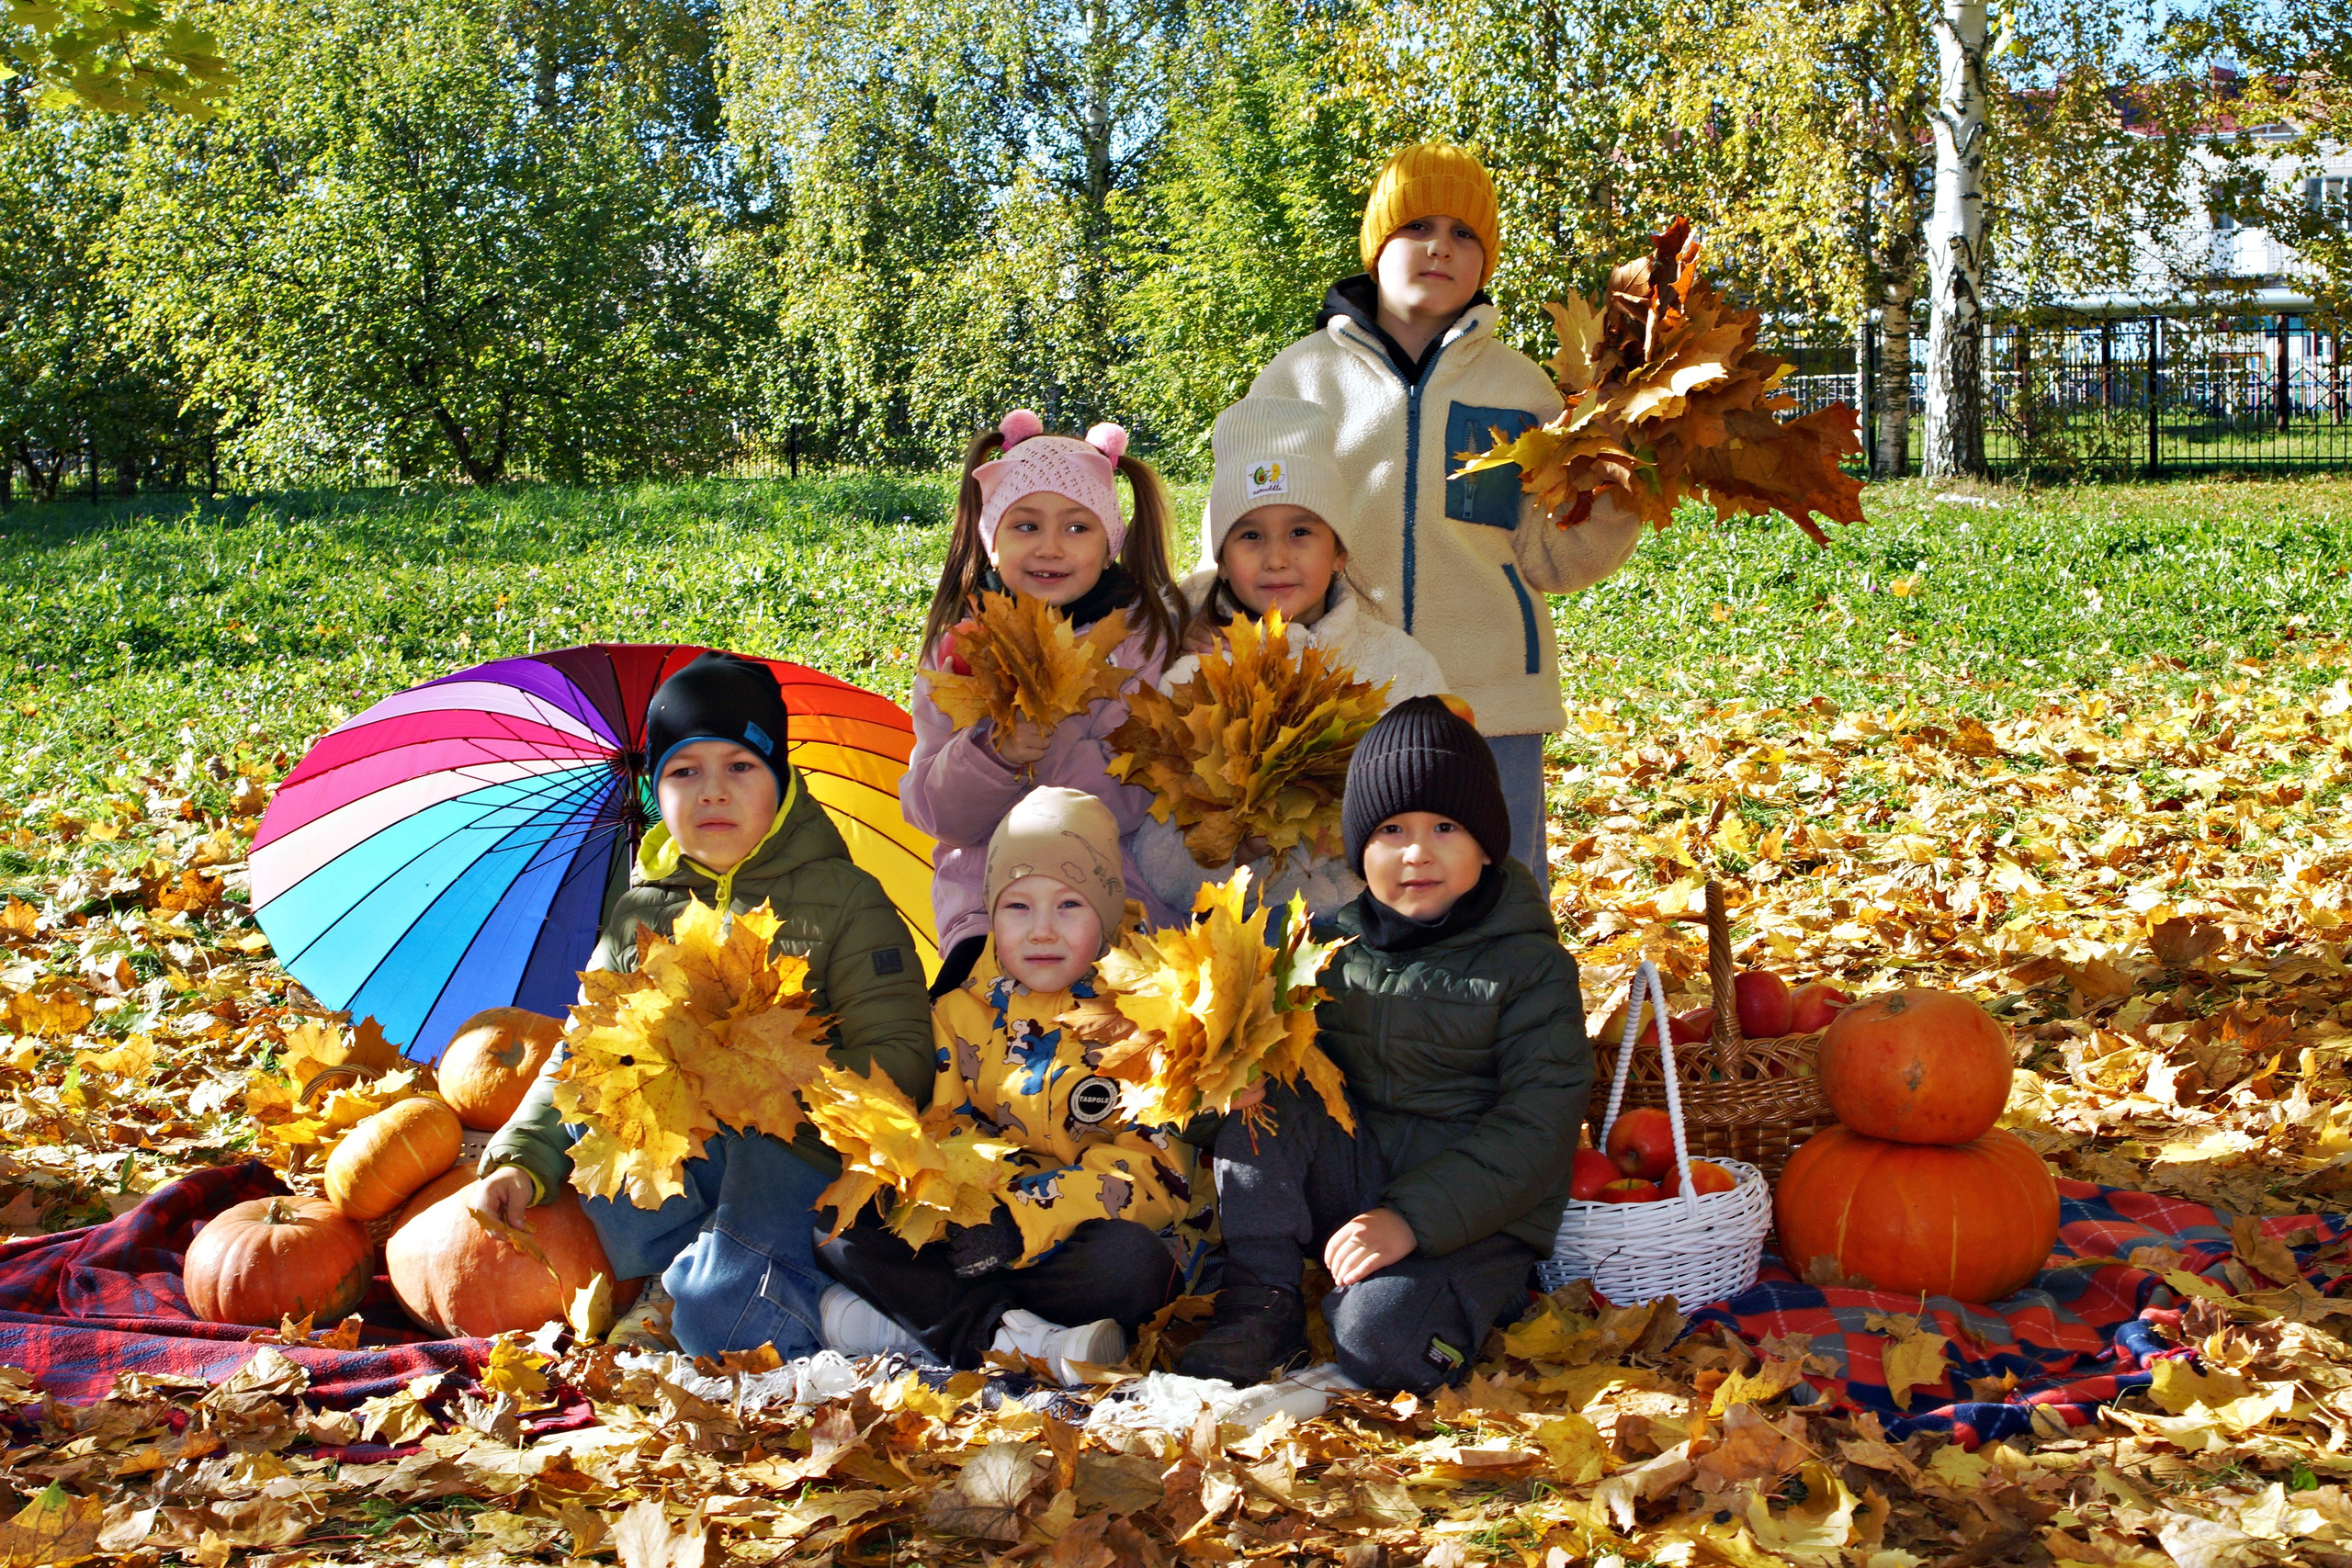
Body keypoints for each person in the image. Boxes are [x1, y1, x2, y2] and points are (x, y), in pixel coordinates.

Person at [471, 651, 934, 1359]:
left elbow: (902, 1056)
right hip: (686, 1166)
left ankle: (767, 1301)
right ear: (658, 790)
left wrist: (773, 1069)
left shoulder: (844, 899)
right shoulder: (639, 913)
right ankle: (693, 1279)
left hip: (801, 1155)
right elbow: (580, 1053)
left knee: (722, 1320)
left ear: (781, 779)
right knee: (617, 1121)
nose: (713, 791)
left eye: (741, 766)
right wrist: (522, 1156)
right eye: (685, 772)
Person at [1227, 143, 1647, 891]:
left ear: (1485, 262)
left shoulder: (1526, 392)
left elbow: (1555, 556)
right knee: (1337, 903)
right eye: (1417, 225)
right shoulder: (1299, 379)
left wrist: (1624, 481)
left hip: (1490, 703)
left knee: (1501, 898)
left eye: (1464, 234)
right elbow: (1242, 526)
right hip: (1335, 700)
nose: (1439, 247)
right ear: (1376, 244)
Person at [1178, 696, 1592, 1392]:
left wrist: (1409, 1218)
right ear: (1359, 847)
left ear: (1487, 843)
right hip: (1355, 1175)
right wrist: (1221, 1097)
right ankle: (1263, 1300)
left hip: (1471, 1215)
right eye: (1391, 828)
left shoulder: (1530, 965)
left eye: (1445, 827)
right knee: (1267, 1100)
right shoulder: (1327, 950)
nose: (1416, 852)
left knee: (1381, 1341)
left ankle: (1445, 1302)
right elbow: (1258, 1076)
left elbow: (1536, 1127)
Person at [819, 788, 1209, 1385]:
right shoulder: (958, 1007)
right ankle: (1012, 1339)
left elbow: (1157, 1175)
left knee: (1132, 1265)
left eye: (1070, 905)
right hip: (978, 1239)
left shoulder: (1148, 1012)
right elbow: (940, 1129)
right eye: (1018, 907)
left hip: (1077, 1239)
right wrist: (955, 1201)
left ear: (1106, 906)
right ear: (991, 914)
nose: (1042, 930)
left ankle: (922, 1321)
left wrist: (1020, 1217)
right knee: (839, 1222)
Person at [904, 411, 1188, 999]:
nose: (1050, 548)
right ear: (992, 540)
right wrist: (993, 755)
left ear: (1110, 542)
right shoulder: (958, 647)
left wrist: (1046, 752)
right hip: (986, 898)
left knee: (1148, 1044)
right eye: (1026, 526)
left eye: (1077, 528)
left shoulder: (1141, 640)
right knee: (971, 1032)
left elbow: (1134, 795)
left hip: (1110, 884)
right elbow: (938, 815)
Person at [1134, 395, 1448, 925]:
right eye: (1251, 535)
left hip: (1376, 937)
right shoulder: (1192, 676)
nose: (1277, 557)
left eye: (1301, 532)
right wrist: (1234, 848)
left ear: (1340, 552)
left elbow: (1440, 818)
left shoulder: (1401, 669)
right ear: (1223, 564)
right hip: (1228, 941)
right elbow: (1157, 853)